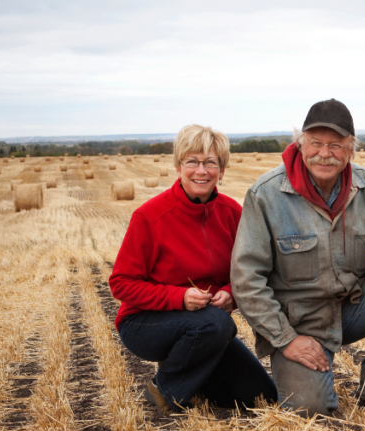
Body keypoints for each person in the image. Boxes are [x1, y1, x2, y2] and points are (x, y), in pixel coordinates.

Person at [231, 99, 365, 419]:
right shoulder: (265, 194)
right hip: (299, 324)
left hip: (351, 309)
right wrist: (287, 340)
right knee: (312, 411)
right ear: (300, 144)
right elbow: (246, 279)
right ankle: (306, 374)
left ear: (351, 150)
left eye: (336, 145)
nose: (325, 153)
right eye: (316, 143)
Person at [109, 124, 277, 412]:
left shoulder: (232, 214)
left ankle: (193, 378)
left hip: (206, 327)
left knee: (261, 395)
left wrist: (230, 294)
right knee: (218, 323)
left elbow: (248, 270)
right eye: (192, 162)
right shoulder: (150, 217)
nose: (202, 170)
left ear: (221, 171)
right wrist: (179, 297)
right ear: (178, 167)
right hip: (145, 323)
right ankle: (163, 390)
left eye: (210, 163)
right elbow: (121, 283)